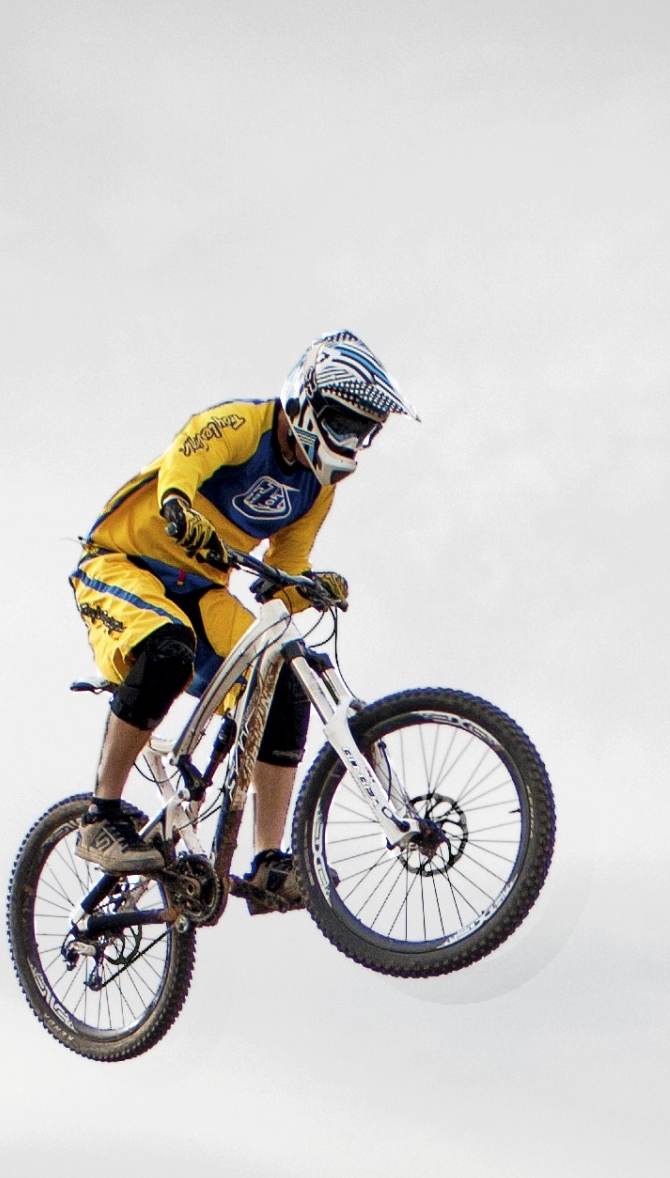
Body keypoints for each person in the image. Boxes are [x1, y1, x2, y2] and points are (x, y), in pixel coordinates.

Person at [70, 331, 417, 911]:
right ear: (306, 402)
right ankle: (100, 815)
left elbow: (284, 571)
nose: (350, 440)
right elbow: (184, 460)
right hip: (123, 561)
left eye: (361, 431)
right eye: (342, 422)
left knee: (285, 679)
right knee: (167, 651)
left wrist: (312, 587)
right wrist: (178, 507)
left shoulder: (316, 488)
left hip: (201, 589)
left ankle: (269, 861)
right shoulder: (241, 425)